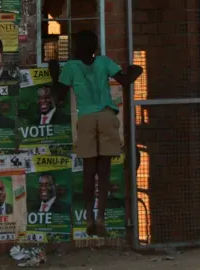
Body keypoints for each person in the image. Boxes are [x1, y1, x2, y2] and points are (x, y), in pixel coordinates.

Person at [55, 30, 143, 237]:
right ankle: (101, 216)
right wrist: (136, 68)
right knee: (103, 172)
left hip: (85, 119)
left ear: (75, 48)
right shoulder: (104, 62)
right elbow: (126, 80)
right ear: (95, 47)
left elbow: (59, 95)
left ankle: (88, 218)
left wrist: (53, 74)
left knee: (88, 171)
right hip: (106, 116)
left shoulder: (71, 67)